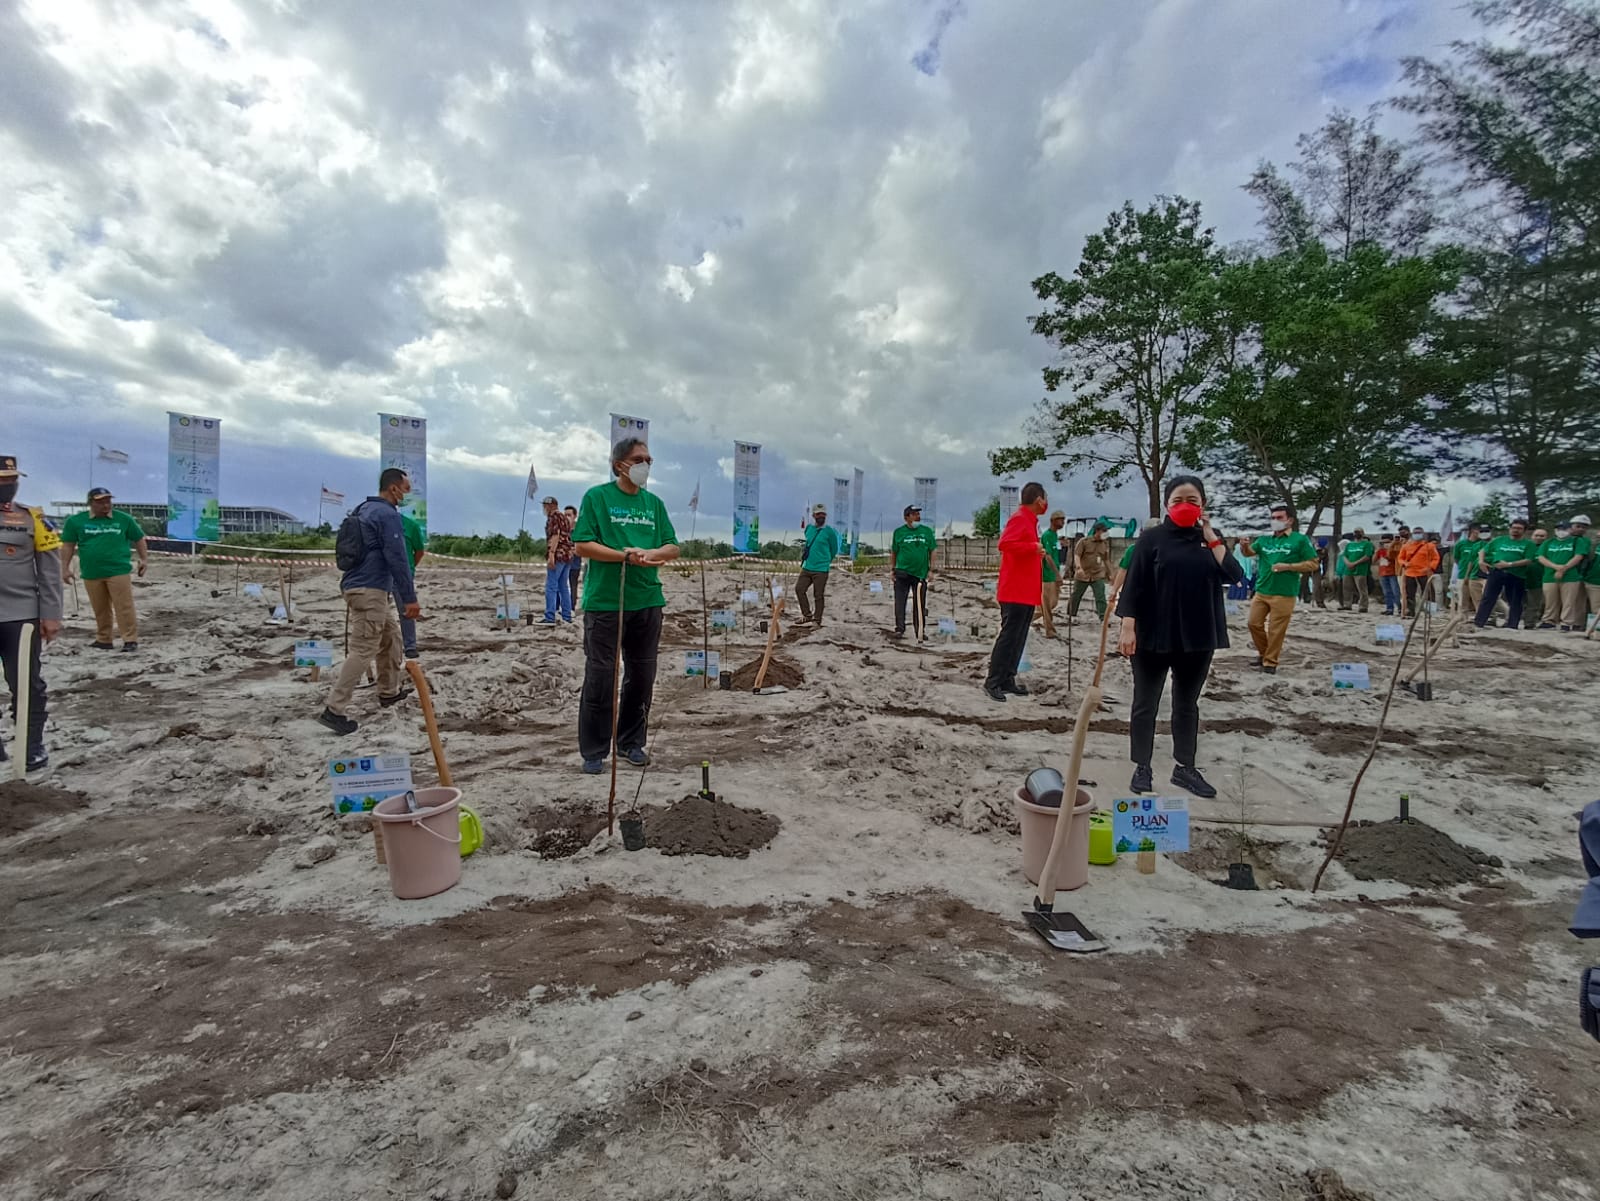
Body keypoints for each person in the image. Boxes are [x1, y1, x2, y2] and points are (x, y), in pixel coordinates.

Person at [1117, 476, 1243, 799]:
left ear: (1203, 504)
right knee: (1146, 703)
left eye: (1192, 500)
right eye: (1178, 500)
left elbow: (1235, 575)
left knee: (1187, 705)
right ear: (1167, 505)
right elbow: (1135, 584)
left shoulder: (1211, 541)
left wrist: (1212, 537)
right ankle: (1141, 766)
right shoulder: (1151, 539)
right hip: (1152, 636)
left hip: (1199, 637)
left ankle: (1184, 767)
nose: (1185, 506)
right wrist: (1127, 626)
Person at [571, 437, 679, 774]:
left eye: (649, 459)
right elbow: (582, 545)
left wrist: (652, 555)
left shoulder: (654, 504)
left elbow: (672, 547)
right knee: (601, 675)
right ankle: (594, 750)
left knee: (642, 675)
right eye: (639, 458)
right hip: (606, 601)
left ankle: (632, 742)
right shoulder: (598, 497)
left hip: (647, 600)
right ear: (620, 464)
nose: (645, 465)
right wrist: (624, 556)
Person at [318, 469, 419, 735]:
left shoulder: (363, 510)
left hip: (362, 588)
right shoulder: (387, 515)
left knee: (392, 637)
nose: (406, 495)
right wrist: (409, 598)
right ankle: (334, 709)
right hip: (370, 590)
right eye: (406, 489)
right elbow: (398, 559)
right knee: (364, 649)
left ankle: (388, 691)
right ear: (394, 488)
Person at [0, 455, 62, 772]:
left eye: (11, 480)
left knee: (26, 683)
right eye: (1, 480)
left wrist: (51, 614)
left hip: (19, 616)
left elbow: (50, 572)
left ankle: (31, 746)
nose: (7, 486)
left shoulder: (32, 518)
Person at [60, 486, 148, 651]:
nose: (106, 505)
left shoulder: (124, 519)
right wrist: (64, 568)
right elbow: (68, 545)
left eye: (108, 501)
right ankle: (104, 639)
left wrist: (144, 559)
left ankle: (130, 639)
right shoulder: (75, 521)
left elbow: (139, 538)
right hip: (92, 572)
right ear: (91, 503)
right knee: (100, 608)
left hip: (118, 570)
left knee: (124, 606)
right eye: (100, 502)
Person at [985, 483, 1047, 702]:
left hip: (1026, 591)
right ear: (1038, 499)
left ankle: (1007, 678)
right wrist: (1033, 548)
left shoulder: (1031, 522)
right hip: (1014, 591)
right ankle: (993, 681)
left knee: (1019, 638)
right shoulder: (1020, 518)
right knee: (1009, 636)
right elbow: (1005, 544)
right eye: (1044, 499)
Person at [1238, 504, 1317, 675]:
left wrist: (1288, 566)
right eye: (1273, 518)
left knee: (1276, 630)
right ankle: (1264, 652)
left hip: (1285, 592)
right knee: (1253, 624)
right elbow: (1249, 553)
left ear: (1290, 520)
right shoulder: (1264, 540)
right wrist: (1244, 546)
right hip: (1262, 590)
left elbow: (1313, 563)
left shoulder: (1300, 540)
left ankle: (1270, 662)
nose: (1275, 521)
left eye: (1279, 518)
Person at [1474, 519, 1536, 629]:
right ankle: (1479, 622)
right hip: (1497, 571)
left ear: (1524, 531)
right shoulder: (1500, 540)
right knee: (1488, 597)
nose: (1515, 530)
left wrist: (1509, 564)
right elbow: (1483, 550)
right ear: (1510, 529)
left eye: (1519, 528)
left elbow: (1528, 560)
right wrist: (1481, 561)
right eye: (1514, 528)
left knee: (1515, 600)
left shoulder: (1528, 544)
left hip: (1516, 574)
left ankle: (1512, 624)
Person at [890, 503, 936, 639]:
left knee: (920, 603)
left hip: (920, 573)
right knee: (900, 602)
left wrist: (931, 569)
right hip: (902, 572)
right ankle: (899, 628)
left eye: (918, 514)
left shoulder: (927, 532)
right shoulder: (899, 532)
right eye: (914, 514)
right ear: (907, 517)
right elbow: (894, 552)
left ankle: (920, 630)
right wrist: (892, 569)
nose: (918, 517)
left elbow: (933, 550)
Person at [1537, 519, 1591, 631]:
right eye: (1559, 529)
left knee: (1568, 601)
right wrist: (1556, 567)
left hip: (1570, 576)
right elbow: (1541, 557)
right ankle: (1549, 620)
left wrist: (1564, 568)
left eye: (1565, 529)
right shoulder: (1548, 542)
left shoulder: (1576, 541)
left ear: (1570, 529)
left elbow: (1578, 556)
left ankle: (1566, 622)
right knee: (1550, 600)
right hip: (1549, 575)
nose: (1561, 531)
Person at [796, 503, 842, 625]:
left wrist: (826, 560)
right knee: (799, 589)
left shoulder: (830, 532)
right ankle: (807, 615)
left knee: (818, 595)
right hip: (807, 566)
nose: (820, 516)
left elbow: (834, 549)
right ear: (813, 515)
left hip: (821, 569)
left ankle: (817, 620)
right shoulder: (809, 529)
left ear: (825, 515)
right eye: (818, 514)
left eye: (822, 514)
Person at [541, 496, 575, 625]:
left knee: (551, 586)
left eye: (545, 505)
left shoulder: (554, 517)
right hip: (568, 554)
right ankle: (567, 615)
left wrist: (551, 555)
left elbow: (556, 535)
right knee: (563, 586)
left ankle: (550, 616)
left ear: (550, 506)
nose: (543, 508)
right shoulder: (564, 518)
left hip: (559, 554)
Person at [1069, 522, 1112, 621]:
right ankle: (1071, 615)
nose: (1106, 533)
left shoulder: (1105, 544)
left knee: (1100, 596)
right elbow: (1077, 555)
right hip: (1083, 575)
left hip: (1097, 575)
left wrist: (1111, 574)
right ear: (1097, 531)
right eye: (1104, 531)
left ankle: (1103, 618)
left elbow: (1106, 560)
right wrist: (1079, 568)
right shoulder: (1084, 542)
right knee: (1076, 596)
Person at [398, 510, 426, 657]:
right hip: (381, 574)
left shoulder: (410, 525)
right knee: (377, 611)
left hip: (403, 575)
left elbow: (420, 551)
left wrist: (409, 569)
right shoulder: (378, 522)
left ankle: (410, 646)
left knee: (407, 610)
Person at [1397, 528, 1441, 617]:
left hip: (1424, 573)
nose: (1417, 534)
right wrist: (1405, 563)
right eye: (1415, 533)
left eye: (1419, 533)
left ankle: (1430, 612)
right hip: (1410, 573)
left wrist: (1430, 567)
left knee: (1429, 593)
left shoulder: (1429, 546)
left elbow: (1436, 558)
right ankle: (1410, 612)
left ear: (1423, 534)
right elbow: (1400, 558)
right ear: (1412, 534)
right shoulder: (1406, 546)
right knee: (1410, 593)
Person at [1037, 510, 1066, 637]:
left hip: (1054, 574)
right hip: (1047, 575)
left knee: (1052, 603)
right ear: (1053, 521)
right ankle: (1049, 629)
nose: (1063, 522)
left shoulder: (1055, 536)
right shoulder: (1047, 536)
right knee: (1047, 604)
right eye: (1060, 519)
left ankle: (1027, 619)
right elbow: (1047, 557)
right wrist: (1057, 574)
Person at [1336, 527, 1374, 613]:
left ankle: (1363, 606)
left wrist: (1355, 563)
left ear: (1363, 533)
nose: (1357, 533)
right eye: (1355, 532)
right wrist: (1348, 563)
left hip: (1360, 569)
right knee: (1346, 588)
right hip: (1348, 569)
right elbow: (1344, 555)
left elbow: (1367, 556)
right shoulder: (1349, 545)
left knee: (1362, 588)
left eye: (1359, 532)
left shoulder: (1367, 544)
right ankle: (1347, 604)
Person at [1455, 525, 1487, 614]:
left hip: (1477, 575)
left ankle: (1480, 616)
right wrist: (1463, 569)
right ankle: (1462, 617)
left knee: (1479, 598)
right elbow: (1456, 558)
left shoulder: (1482, 544)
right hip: (1463, 574)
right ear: (1473, 531)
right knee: (1462, 599)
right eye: (1479, 531)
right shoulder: (1460, 544)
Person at [1521, 527, 1549, 629]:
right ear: (1532, 536)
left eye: (1542, 536)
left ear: (1546, 537)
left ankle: (1529, 623)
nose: (1539, 538)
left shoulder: (1548, 548)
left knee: (1533, 603)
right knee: (1519, 602)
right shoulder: (1526, 546)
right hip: (1522, 578)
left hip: (1538, 580)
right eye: (1536, 535)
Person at [1373, 534, 1400, 615]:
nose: (1385, 544)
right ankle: (1389, 608)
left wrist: (1390, 549)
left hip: (1393, 573)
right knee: (1386, 592)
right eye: (1383, 542)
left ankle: (1400, 608)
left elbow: (1393, 558)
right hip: (1383, 573)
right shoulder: (1380, 550)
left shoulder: (1394, 550)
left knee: (1395, 591)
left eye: (1387, 542)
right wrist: (1377, 550)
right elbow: (1373, 561)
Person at [564, 504, 582, 611]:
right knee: (560, 586)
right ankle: (560, 607)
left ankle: (571, 607)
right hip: (563, 564)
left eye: (569, 515)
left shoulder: (578, 532)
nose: (566, 517)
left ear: (575, 516)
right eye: (565, 515)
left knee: (572, 586)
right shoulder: (563, 531)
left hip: (574, 564)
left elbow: (581, 549)